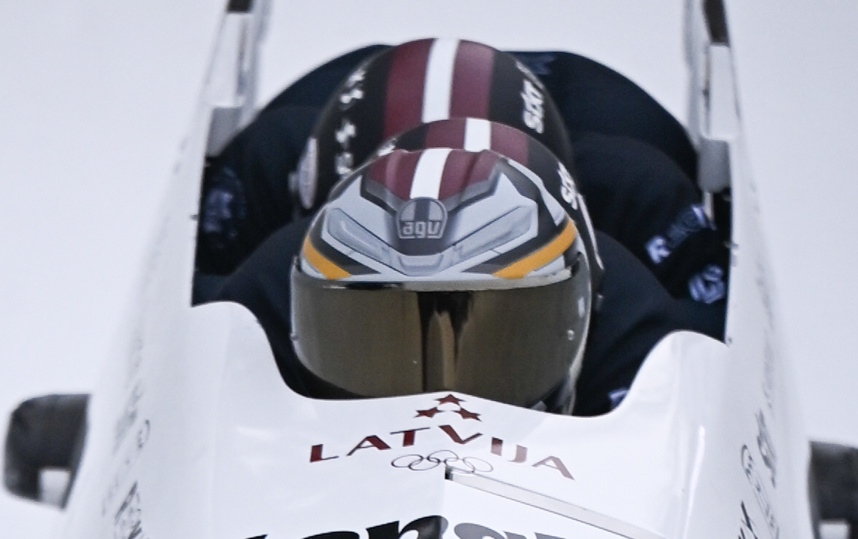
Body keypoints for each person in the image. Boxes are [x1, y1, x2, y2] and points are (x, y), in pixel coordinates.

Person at [195, 37, 730, 412]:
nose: (437, 404)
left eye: (503, 345)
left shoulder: (635, 323)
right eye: (374, 343)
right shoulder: (267, 289)